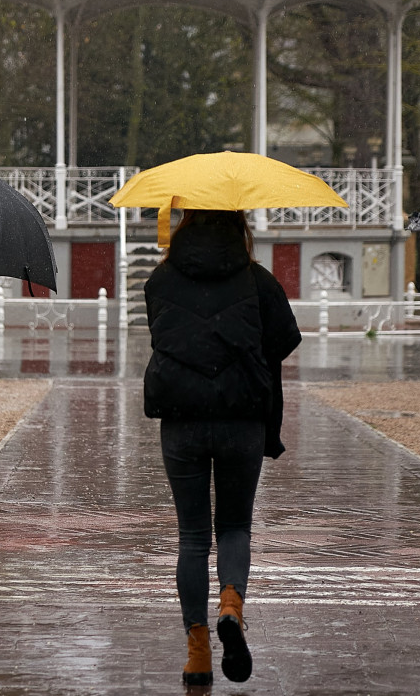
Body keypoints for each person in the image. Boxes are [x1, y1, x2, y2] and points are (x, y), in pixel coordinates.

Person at [142, 209, 301, 687]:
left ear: (185, 225)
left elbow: (162, 332)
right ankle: (230, 603)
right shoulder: (258, 280)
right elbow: (285, 340)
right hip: (240, 418)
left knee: (192, 537)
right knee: (234, 526)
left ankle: (197, 652)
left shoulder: (160, 279)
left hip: (182, 419)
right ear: (239, 227)